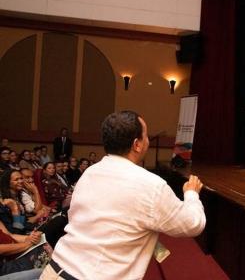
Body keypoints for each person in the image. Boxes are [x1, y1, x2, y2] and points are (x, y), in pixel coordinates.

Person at [40, 110, 206, 279]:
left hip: (53, 271)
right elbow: (192, 224)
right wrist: (191, 194)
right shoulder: (151, 185)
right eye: (146, 136)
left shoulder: (90, 172)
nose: (148, 140)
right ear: (137, 144)